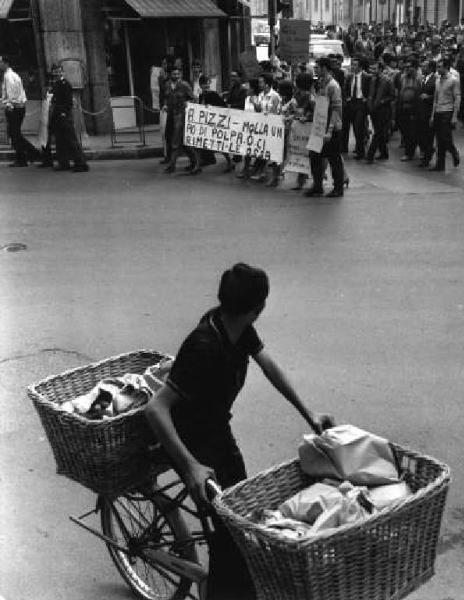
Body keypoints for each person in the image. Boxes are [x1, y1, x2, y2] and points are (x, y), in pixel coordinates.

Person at [146, 263, 334, 600]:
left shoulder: (238, 327)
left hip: (218, 432)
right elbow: (156, 409)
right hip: (189, 441)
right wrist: (190, 466)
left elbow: (268, 365)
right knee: (227, 540)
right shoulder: (203, 345)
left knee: (242, 523)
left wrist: (309, 413)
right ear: (258, 308)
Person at [305, 57, 345, 198]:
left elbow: (336, 110)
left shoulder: (333, 86)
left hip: (331, 129)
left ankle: (338, 188)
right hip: (319, 127)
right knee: (314, 156)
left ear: (325, 68)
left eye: (318, 67)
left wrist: (329, 130)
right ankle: (317, 186)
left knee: (334, 159)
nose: (316, 70)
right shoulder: (320, 84)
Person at [0, 55, 41, 167]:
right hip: (17, 107)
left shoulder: (9, 77)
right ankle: (24, 157)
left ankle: (31, 154)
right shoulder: (11, 75)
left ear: (5, 63)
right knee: (15, 134)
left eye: (0, 62)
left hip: (14, 108)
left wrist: (9, 105)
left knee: (15, 134)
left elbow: (12, 95)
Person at [48, 63, 89, 172]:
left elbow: (67, 101)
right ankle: (63, 163)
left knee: (71, 140)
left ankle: (81, 163)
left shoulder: (65, 84)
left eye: (58, 71)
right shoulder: (56, 84)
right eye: (55, 71)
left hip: (64, 115)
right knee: (60, 141)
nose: (56, 73)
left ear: (62, 72)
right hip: (57, 115)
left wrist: (64, 113)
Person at [163, 65, 198, 174]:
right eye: (174, 74)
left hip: (181, 115)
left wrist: (188, 103)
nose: (176, 76)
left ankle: (172, 165)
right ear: (170, 75)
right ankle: (195, 163)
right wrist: (165, 105)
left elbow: (194, 98)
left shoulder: (184, 85)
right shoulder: (167, 85)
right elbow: (166, 97)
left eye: (178, 74)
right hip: (170, 115)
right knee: (177, 140)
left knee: (176, 141)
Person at [429, 58, 460, 172]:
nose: (438, 69)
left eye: (440, 67)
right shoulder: (437, 80)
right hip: (438, 111)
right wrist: (432, 115)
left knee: (445, 137)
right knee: (439, 139)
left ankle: (453, 151)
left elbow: (457, 97)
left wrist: (455, 116)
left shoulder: (453, 80)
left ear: (446, 67)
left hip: (448, 111)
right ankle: (440, 164)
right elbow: (435, 100)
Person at [365, 61, 394, 164]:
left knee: (377, 133)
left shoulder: (387, 81)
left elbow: (392, 96)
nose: (373, 71)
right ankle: (384, 153)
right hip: (374, 109)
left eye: (375, 69)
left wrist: (382, 101)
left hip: (383, 110)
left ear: (381, 70)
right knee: (379, 131)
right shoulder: (372, 80)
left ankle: (370, 155)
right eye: (372, 69)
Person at [342, 56, 371, 160]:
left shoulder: (366, 77)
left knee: (358, 128)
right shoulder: (350, 77)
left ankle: (360, 151)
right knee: (348, 126)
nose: (352, 67)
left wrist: (366, 99)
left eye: (355, 65)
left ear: (360, 67)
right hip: (351, 103)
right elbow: (345, 89)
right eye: (352, 65)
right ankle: (346, 147)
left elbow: (370, 90)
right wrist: (347, 98)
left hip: (361, 104)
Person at [417, 59, 437, 168]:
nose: (422, 68)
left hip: (429, 112)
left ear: (430, 68)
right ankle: (427, 152)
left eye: (424, 66)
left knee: (428, 136)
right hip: (421, 111)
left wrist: (428, 97)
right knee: (421, 135)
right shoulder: (422, 78)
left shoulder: (435, 79)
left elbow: (438, 96)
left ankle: (426, 158)